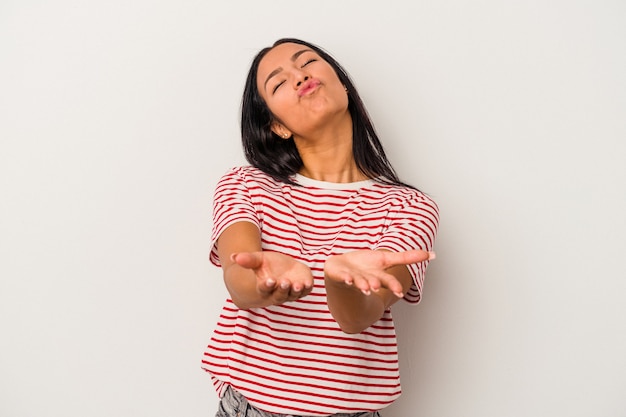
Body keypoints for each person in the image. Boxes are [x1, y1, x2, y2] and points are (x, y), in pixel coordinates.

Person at [202, 38, 439, 417]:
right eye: (279, 83)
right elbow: (240, 283)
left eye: (307, 62)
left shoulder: (410, 208)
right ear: (277, 125)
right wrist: (263, 280)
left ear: (341, 83)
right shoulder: (245, 184)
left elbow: (360, 315)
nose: (300, 77)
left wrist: (338, 282)